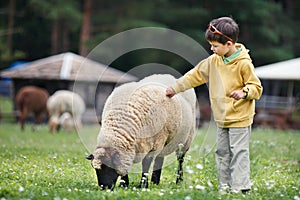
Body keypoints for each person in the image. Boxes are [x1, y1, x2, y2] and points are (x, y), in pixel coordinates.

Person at [166, 16, 263, 194]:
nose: (212, 49)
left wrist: (244, 92)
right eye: (211, 45)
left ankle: (241, 187)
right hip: (221, 116)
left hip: (240, 116)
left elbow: (256, 87)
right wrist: (175, 88)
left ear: (228, 43)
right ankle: (224, 186)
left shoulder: (243, 63)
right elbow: (193, 76)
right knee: (222, 152)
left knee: (239, 152)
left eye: (215, 46)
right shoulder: (213, 61)